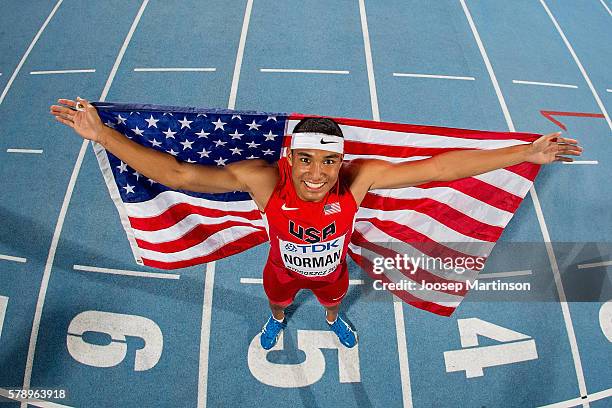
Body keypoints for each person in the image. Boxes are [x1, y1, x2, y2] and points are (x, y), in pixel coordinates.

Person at [50, 97, 583, 349]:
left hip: (332, 274)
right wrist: (104, 136)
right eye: (307, 160)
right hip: (280, 270)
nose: (317, 174)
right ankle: (279, 320)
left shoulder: (358, 178)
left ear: (339, 161)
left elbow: (440, 168)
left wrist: (523, 153)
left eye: (327, 162)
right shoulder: (265, 181)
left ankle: (332, 321)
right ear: (291, 159)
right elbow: (178, 172)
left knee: (331, 300)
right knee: (278, 300)